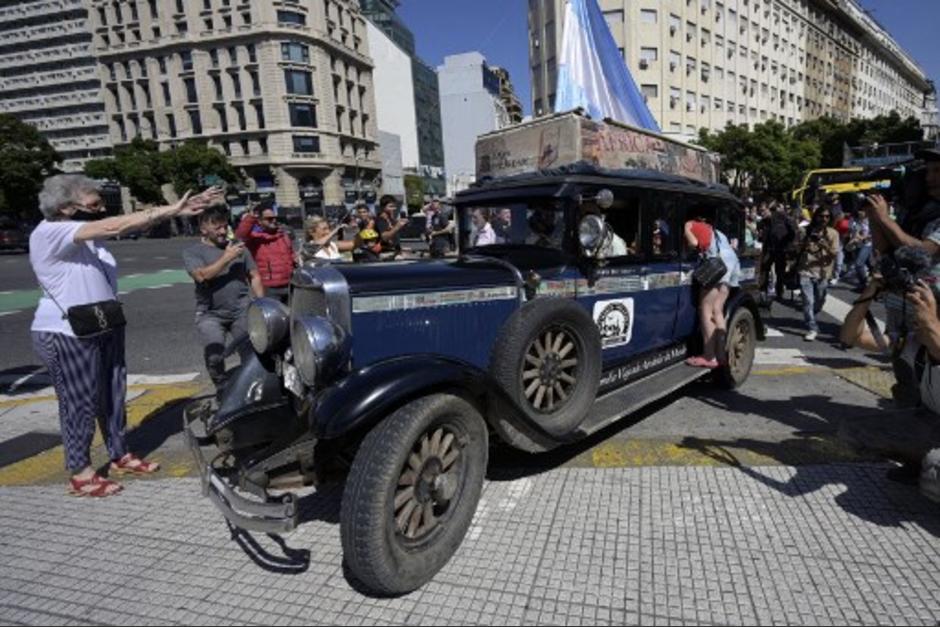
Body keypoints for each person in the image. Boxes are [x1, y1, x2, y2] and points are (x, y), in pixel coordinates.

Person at [29, 175, 222, 497]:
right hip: (68, 332)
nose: (101, 209)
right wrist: (172, 210)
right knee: (79, 403)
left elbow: (119, 230)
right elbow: (114, 226)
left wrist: (177, 210)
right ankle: (80, 471)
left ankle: (119, 454)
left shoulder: (87, 240)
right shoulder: (51, 233)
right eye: (93, 205)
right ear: (65, 208)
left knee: (112, 395)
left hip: (104, 323)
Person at [183, 207, 265, 392]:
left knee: (251, 353)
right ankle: (221, 387)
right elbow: (201, 276)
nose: (222, 231)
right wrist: (227, 257)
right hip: (210, 313)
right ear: (204, 229)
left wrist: (261, 303)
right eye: (217, 227)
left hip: (241, 310)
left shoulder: (239, 248)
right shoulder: (193, 252)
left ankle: (250, 389)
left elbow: (254, 275)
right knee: (215, 356)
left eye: (224, 226)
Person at [684, 216, 741, 368]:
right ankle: (721, 355)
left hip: (716, 264)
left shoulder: (689, 224)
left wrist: (686, 231)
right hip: (732, 264)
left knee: (706, 309)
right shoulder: (715, 231)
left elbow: (694, 243)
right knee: (718, 310)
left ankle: (709, 356)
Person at [234, 200, 295, 302]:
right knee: (273, 317)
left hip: (290, 284)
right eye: (269, 219)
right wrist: (251, 217)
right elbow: (240, 235)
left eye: (275, 218)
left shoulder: (283, 235)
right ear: (259, 221)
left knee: (292, 316)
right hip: (269, 288)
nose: (274, 221)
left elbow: (291, 254)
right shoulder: (254, 239)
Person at [797, 206, 840, 342]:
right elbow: (797, 247)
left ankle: (812, 316)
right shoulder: (806, 231)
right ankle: (812, 327)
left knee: (819, 299)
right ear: (816, 217)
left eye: (827, 217)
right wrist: (805, 244)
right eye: (821, 216)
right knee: (808, 301)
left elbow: (834, 253)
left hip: (823, 272)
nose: (824, 219)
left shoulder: (832, 233)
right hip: (805, 269)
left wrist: (823, 244)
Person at [758, 203, 796, 304]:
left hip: (780, 249)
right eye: (760, 211)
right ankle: (763, 291)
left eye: (763, 211)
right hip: (768, 248)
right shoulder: (763, 222)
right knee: (764, 269)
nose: (761, 213)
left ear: (769, 210)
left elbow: (792, 232)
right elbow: (760, 235)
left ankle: (779, 293)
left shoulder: (782, 218)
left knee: (780, 272)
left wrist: (787, 244)